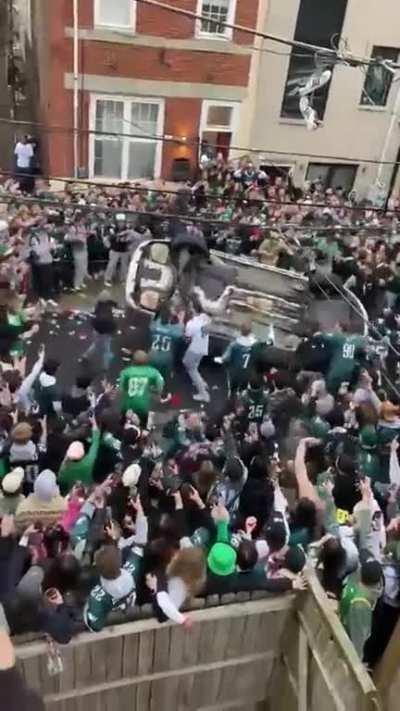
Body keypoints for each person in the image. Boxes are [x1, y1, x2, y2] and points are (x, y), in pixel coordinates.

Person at [118, 350, 164, 426]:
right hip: (143, 405)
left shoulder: (125, 372)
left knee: (122, 425)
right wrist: (153, 390)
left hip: (128, 404)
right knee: (142, 425)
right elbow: (160, 386)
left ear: (133, 360)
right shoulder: (153, 372)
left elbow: (121, 390)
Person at [216, 321, 258, 395]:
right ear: (250, 332)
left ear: (241, 330)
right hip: (247, 372)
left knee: (232, 390)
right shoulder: (255, 345)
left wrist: (217, 359)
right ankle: (241, 399)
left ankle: (231, 401)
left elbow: (226, 358)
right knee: (243, 389)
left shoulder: (235, 344)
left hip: (235, 372)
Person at [183, 296, 211, 403]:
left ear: (192, 308)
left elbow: (187, 338)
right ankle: (201, 382)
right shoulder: (205, 318)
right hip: (203, 347)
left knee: (190, 368)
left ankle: (204, 394)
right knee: (194, 367)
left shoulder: (192, 324)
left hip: (194, 348)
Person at [149, 305, 184, 382]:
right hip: (166, 358)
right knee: (161, 378)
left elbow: (154, 321)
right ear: (170, 318)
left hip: (152, 355)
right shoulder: (174, 330)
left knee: (149, 376)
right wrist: (180, 320)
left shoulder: (154, 326)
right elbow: (181, 334)